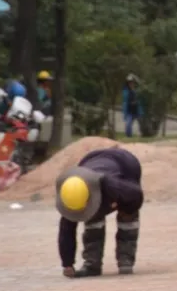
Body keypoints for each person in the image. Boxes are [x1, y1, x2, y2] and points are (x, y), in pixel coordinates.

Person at [56, 146, 143, 277]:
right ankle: (92, 265)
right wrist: (67, 264)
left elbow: (137, 196)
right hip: (91, 161)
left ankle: (126, 260)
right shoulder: (70, 195)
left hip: (126, 164)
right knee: (92, 217)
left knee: (128, 216)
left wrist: (123, 208)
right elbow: (66, 231)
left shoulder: (115, 186)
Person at [121, 74, 142, 138]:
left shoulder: (137, 90)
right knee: (128, 124)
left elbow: (140, 83)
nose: (131, 84)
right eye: (130, 83)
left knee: (142, 124)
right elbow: (126, 100)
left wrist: (135, 77)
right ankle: (129, 136)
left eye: (132, 82)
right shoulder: (126, 91)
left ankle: (143, 134)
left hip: (137, 110)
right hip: (129, 111)